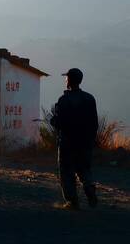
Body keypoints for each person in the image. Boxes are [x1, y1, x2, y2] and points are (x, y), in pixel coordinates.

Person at [50, 68, 98, 210]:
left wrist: (53, 121)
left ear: (69, 80)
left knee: (66, 171)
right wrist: (90, 140)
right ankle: (89, 186)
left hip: (67, 142)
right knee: (84, 169)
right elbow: (94, 123)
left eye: (66, 78)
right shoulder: (90, 98)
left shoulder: (64, 100)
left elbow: (60, 123)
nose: (65, 80)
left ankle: (72, 201)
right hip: (85, 142)